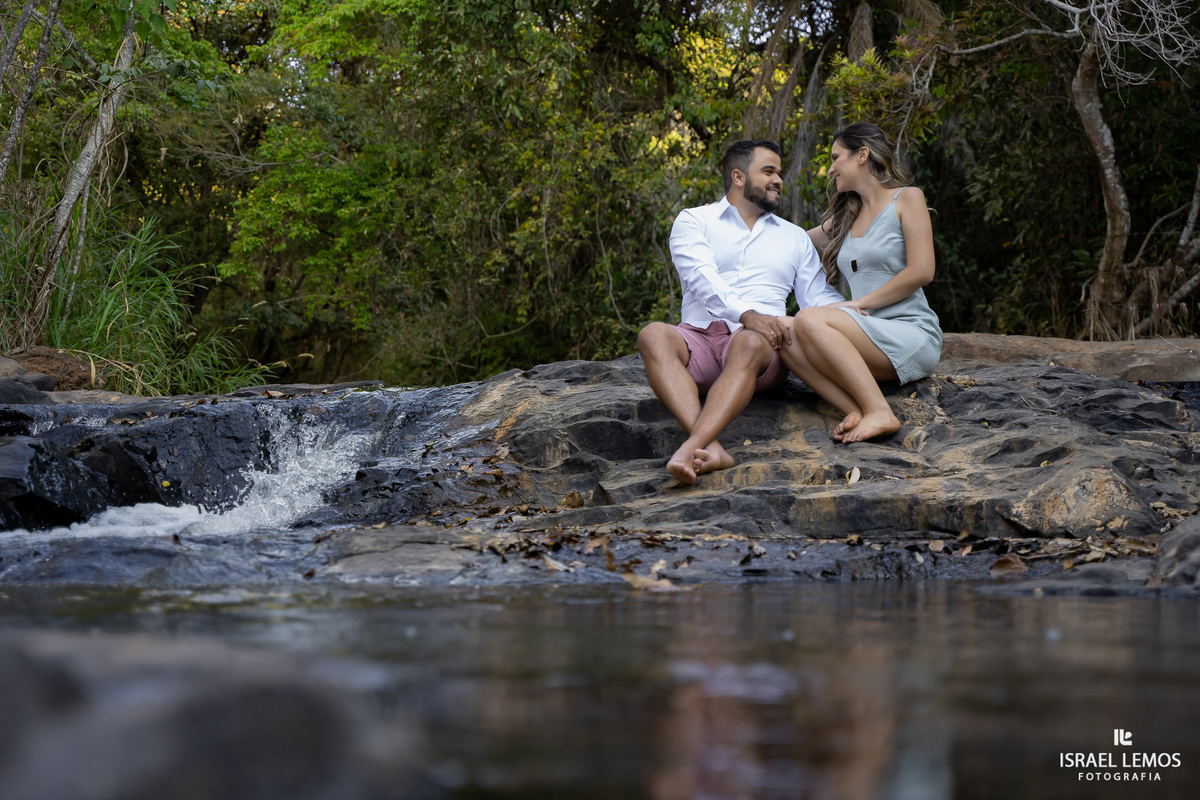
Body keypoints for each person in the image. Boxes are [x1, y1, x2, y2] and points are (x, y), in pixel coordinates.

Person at [638, 140, 845, 485]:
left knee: (748, 342)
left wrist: (865, 312)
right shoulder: (694, 220)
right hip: (698, 341)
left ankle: (692, 445)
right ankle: (710, 446)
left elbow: (818, 297)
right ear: (738, 176)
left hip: (760, 348)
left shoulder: (793, 237)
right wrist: (745, 313)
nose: (779, 179)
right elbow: (701, 278)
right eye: (769, 171)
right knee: (653, 334)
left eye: (780, 172)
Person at [778, 122, 942, 443]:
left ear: (862, 155)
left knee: (808, 317)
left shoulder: (907, 199)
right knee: (782, 331)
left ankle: (880, 411)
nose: (830, 169)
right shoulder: (846, 217)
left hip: (909, 333)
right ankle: (854, 409)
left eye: (836, 157)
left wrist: (858, 304)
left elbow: (922, 270)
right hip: (864, 337)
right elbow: (789, 241)